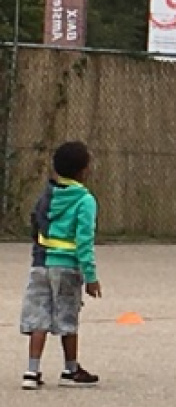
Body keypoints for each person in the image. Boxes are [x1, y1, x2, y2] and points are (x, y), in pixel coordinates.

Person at [20, 140, 102, 390]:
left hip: (41, 263)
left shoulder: (47, 194)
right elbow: (84, 241)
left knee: (38, 317)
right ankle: (70, 369)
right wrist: (90, 276)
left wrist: (41, 251)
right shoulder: (85, 200)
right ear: (83, 171)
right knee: (68, 316)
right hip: (67, 266)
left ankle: (31, 372)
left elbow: (36, 223)